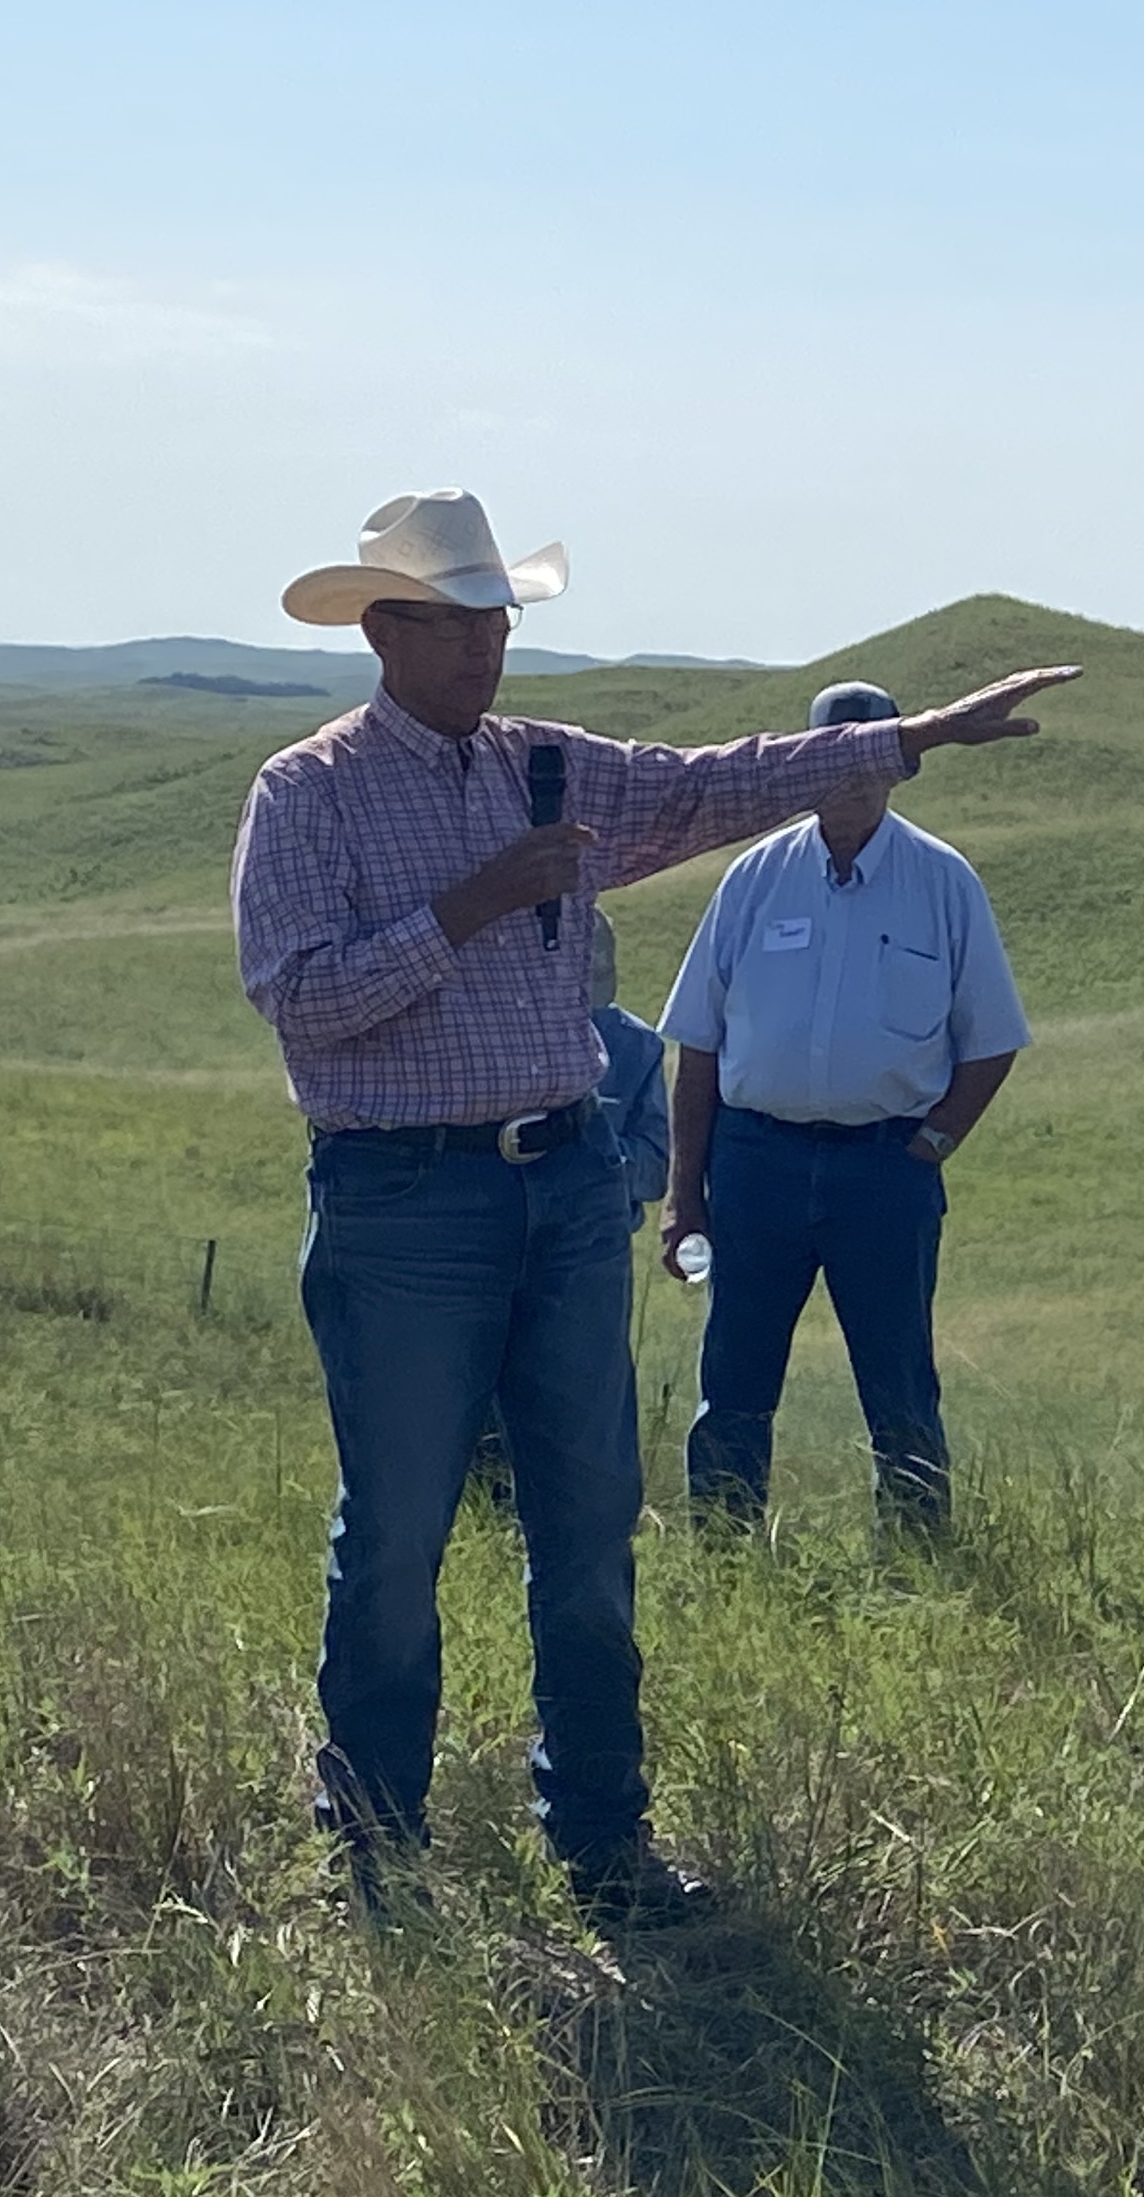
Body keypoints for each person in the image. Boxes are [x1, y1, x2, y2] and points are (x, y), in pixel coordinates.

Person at [230, 489, 1073, 1926]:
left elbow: (711, 783)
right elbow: (299, 1000)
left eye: (502, 621)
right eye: (459, 626)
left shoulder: (547, 766)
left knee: (591, 1514)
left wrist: (913, 738)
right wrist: (473, 907)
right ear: (383, 630)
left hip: (561, 1189)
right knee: (399, 1530)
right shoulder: (306, 794)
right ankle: (376, 1849)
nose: (490, 650)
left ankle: (605, 1843)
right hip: (405, 1203)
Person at [664, 679, 1034, 1532]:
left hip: (884, 1167)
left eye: (869, 757)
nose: (851, 776)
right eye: (833, 757)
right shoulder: (754, 879)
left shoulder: (942, 883)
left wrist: (933, 1143)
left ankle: (913, 1558)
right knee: (735, 1379)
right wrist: (686, 1195)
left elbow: (992, 1039)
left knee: (899, 1381)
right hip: (758, 1162)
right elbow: (699, 1043)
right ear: (803, 764)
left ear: (898, 768)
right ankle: (723, 1552)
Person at [464, 909, 669, 1510]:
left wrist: (588, 1160)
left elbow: (655, 1167)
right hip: (494, 1235)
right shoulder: (499, 1033)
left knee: (580, 1398)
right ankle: (482, 1510)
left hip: (591, 1249)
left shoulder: (637, 1047)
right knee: (481, 1387)